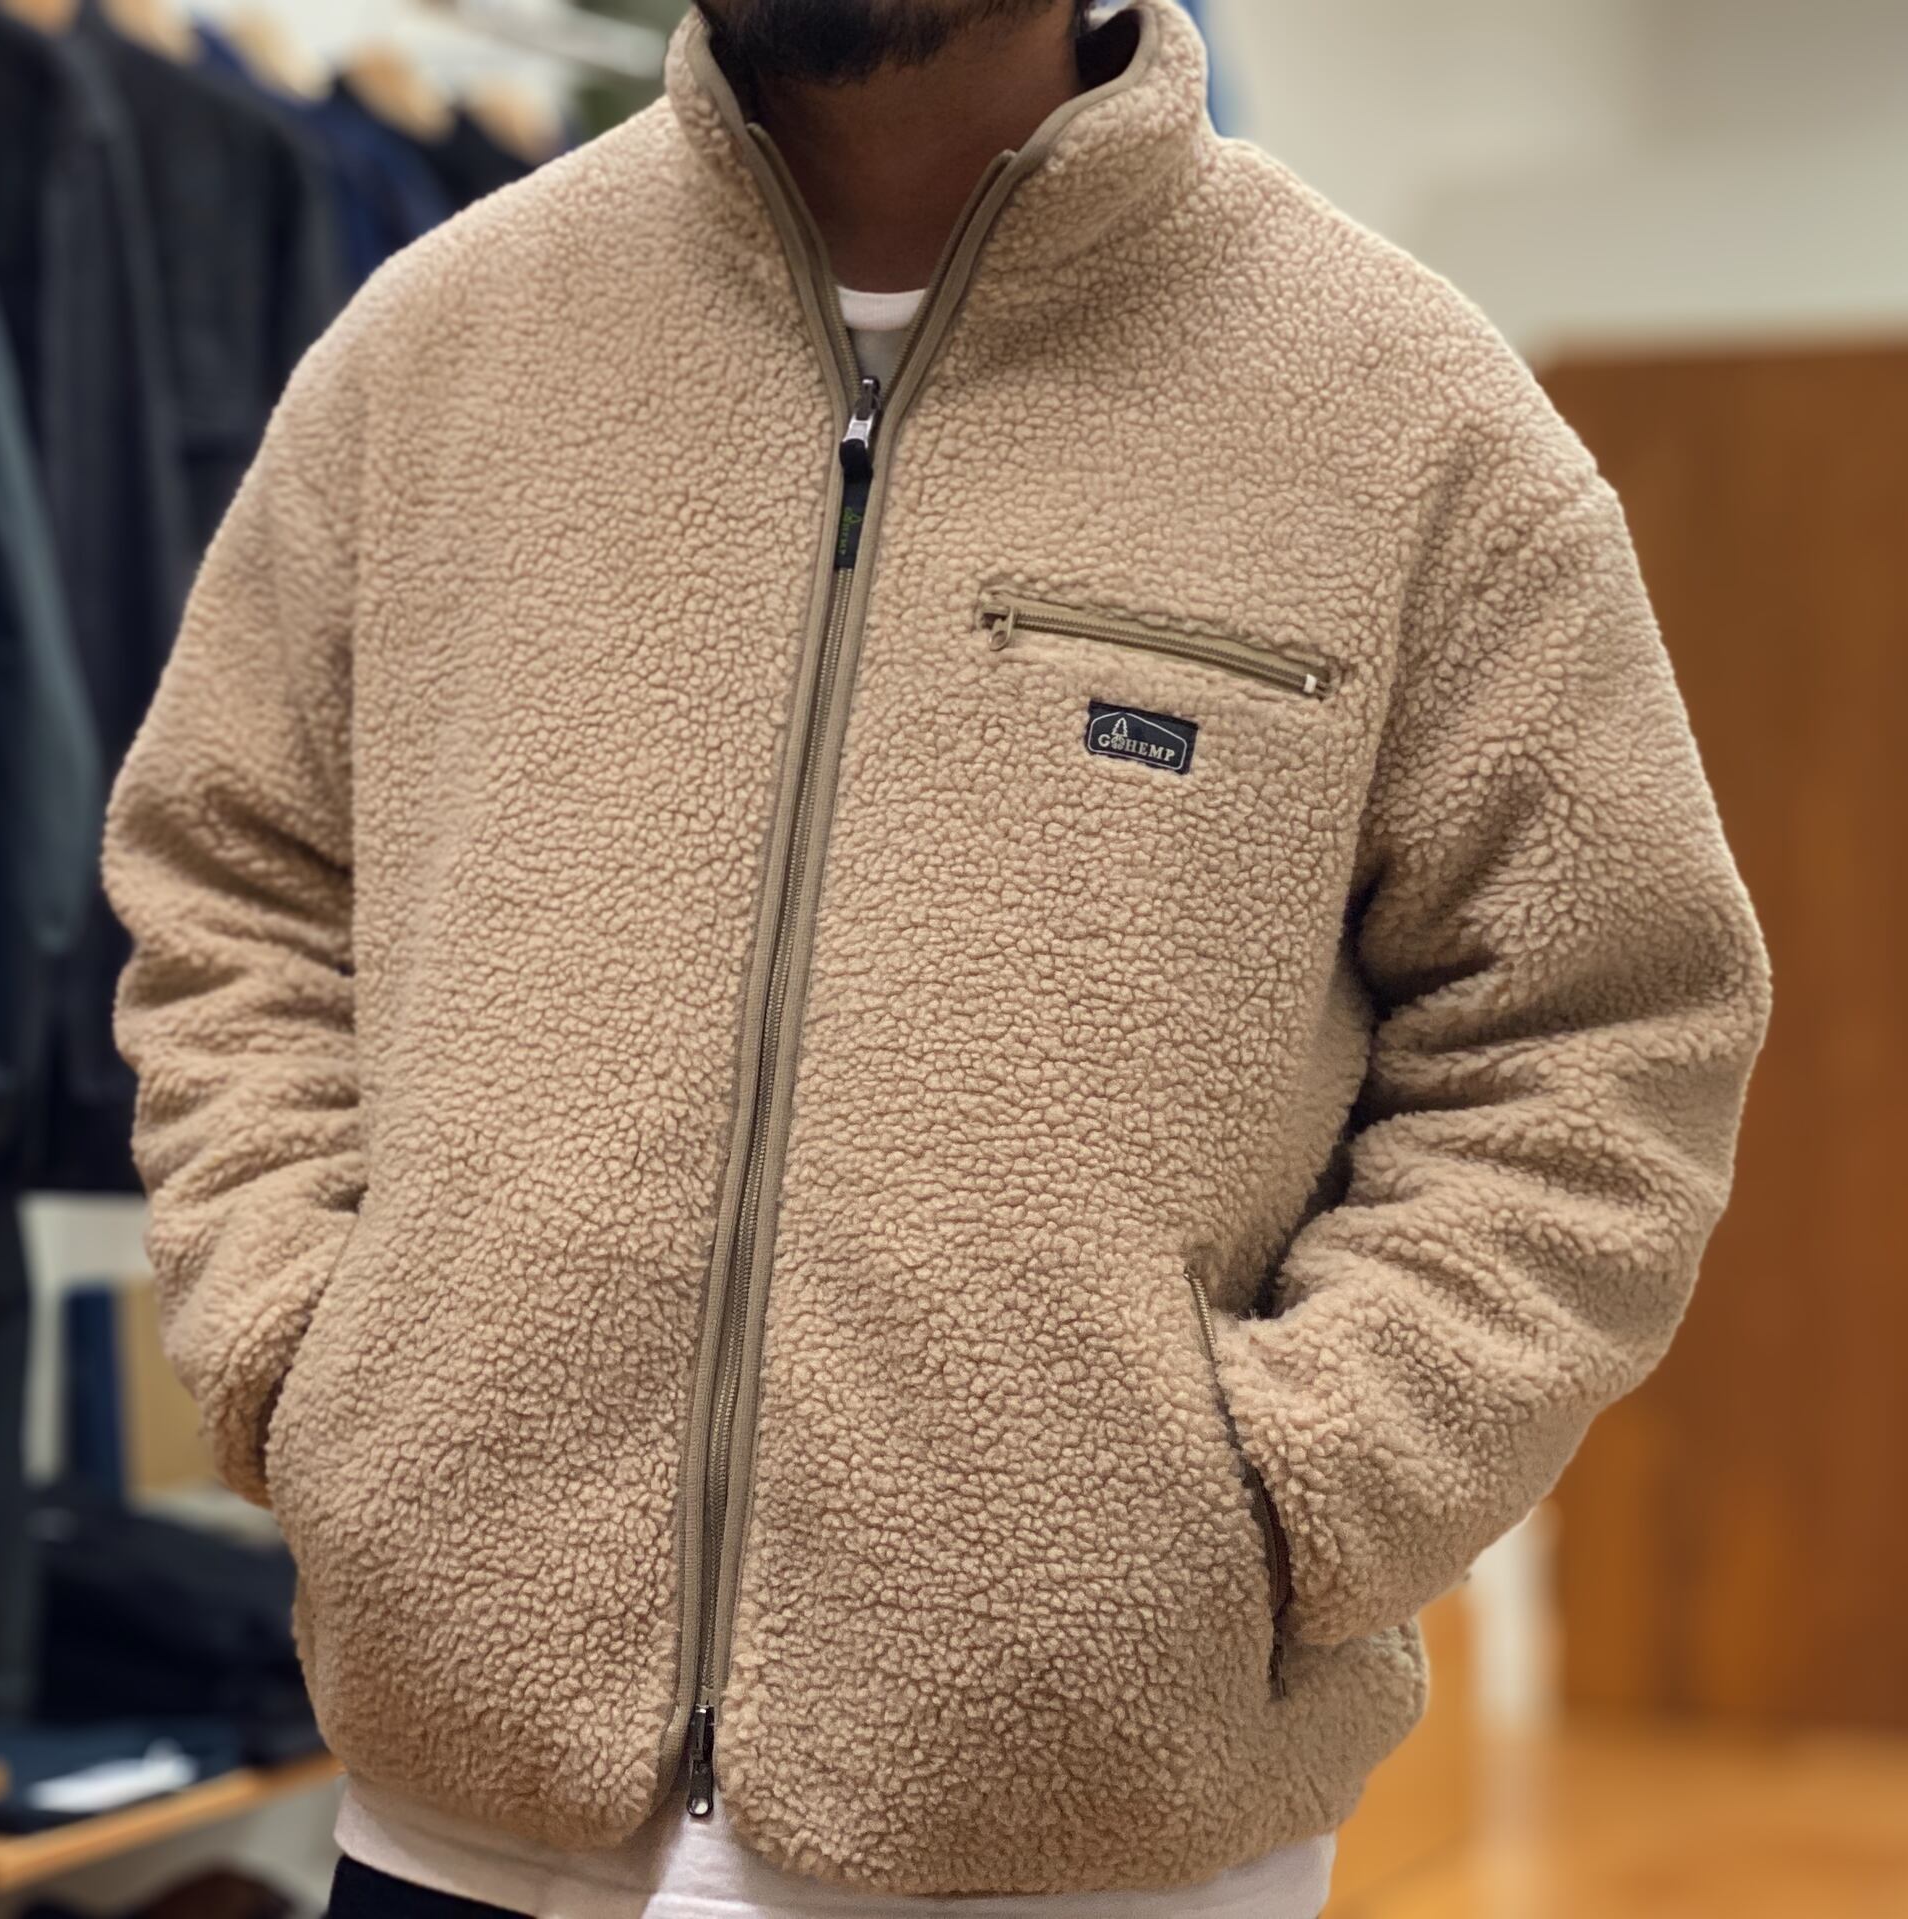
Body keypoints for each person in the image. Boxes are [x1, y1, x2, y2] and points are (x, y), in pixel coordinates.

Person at [102, 1, 1773, 1914]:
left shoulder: (1403, 416)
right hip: (455, 1829)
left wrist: (1285, 1496)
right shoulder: (431, 354)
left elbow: (1600, 1034)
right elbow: (233, 884)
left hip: (1091, 1851)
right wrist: (309, 1360)